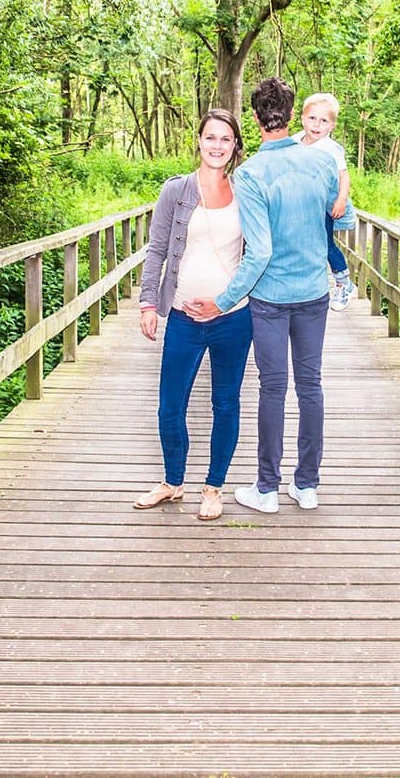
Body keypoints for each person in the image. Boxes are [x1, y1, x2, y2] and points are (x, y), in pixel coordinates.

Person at [183, 78, 350, 514]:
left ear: (256, 119)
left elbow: (260, 252)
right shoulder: (321, 163)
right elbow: (343, 219)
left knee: (273, 387)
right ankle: (307, 485)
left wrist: (223, 300)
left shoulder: (251, 174)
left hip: (271, 297)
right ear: (292, 116)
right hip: (314, 291)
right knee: (310, 384)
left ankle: (267, 489)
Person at [133, 109, 252, 522]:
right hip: (183, 316)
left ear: (235, 146)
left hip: (233, 318)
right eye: (210, 137)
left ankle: (214, 488)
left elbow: (258, 254)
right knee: (170, 406)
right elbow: (157, 251)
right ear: (199, 141)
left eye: (225, 139)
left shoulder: (246, 192)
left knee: (225, 404)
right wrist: (149, 303)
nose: (217, 145)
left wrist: (225, 300)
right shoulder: (176, 191)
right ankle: (172, 482)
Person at [298, 92, 355, 311]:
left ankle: (343, 282)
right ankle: (307, 283)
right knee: (305, 242)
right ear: (303, 118)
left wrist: (340, 200)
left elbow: (344, 176)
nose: (316, 125)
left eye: (324, 121)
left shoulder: (330, 148)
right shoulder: (295, 141)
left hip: (326, 206)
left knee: (325, 244)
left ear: (332, 125)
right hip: (305, 206)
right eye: (312, 118)